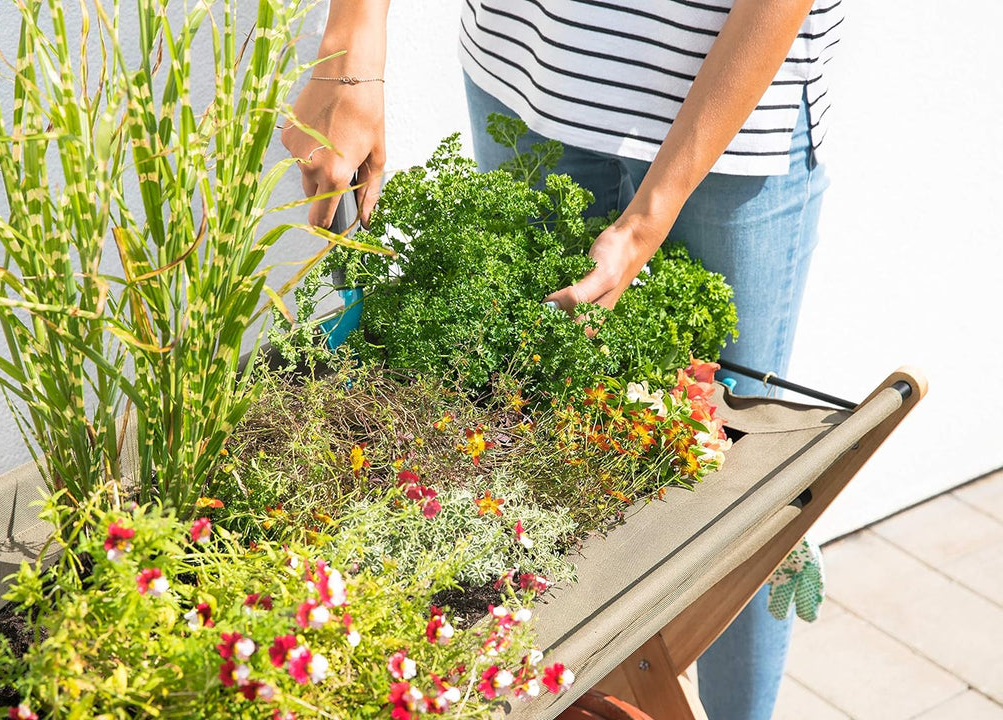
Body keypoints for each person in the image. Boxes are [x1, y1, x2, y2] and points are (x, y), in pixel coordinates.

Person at [282, 1, 839, 717]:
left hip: (731, 118)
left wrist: (648, 221)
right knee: (544, 450)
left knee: (744, 491)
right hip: (527, 70)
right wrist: (351, 56)